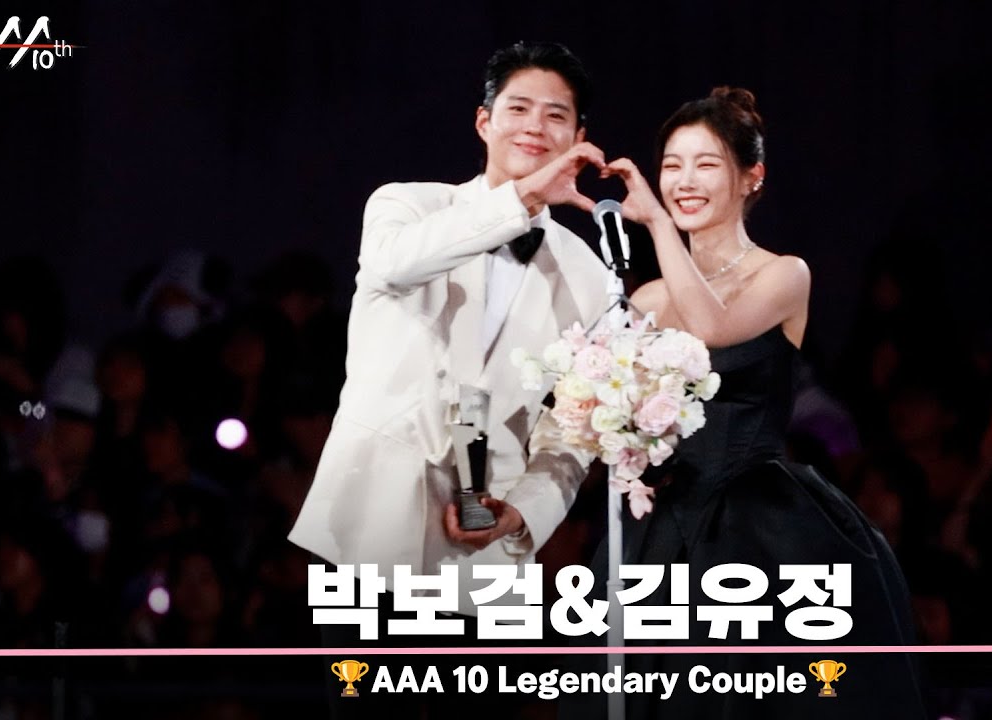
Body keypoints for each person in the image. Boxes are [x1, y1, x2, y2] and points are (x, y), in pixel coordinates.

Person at [561, 87, 928, 718]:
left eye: (706, 164)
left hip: (758, 523)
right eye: (672, 165)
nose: (684, 181)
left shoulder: (783, 275)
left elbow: (712, 327)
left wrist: (657, 224)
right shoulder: (646, 299)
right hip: (659, 526)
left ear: (751, 176)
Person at [285, 41, 613, 717]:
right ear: (483, 121)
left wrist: (525, 512)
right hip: (372, 519)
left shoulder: (590, 274)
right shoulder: (405, 206)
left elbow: (576, 428)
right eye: (518, 108)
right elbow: (396, 265)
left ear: (580, 138)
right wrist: (523, 197)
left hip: (488, 550)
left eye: (556, 115)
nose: (535, 126)